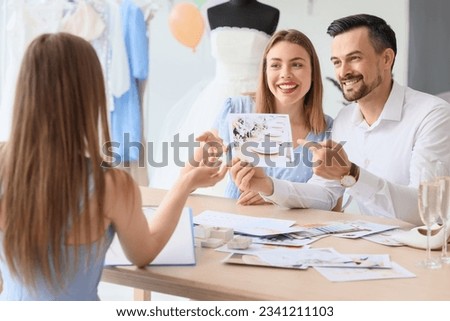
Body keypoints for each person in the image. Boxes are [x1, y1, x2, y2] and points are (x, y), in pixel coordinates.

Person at [0, 33, 226, 300]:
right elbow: (144, 252)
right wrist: (186, 182)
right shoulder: (112, 185)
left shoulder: (4, 164)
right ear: (90, 96)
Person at [230, 14, 450, 225]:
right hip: (368, 245)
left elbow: (427, 208)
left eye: (354, 58)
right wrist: (268, 186)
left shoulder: (432, 115)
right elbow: (325, 193)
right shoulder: (345, 120)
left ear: (386, 59)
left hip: (423, 251)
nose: (344, 72)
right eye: (337, 62)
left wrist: (351, 174)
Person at [151, 0, 279, 194]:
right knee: (208, 154)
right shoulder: (213, 12)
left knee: (254, 166)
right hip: (217, 97)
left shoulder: (270, 13)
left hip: (254, 100)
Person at [210, 29, 333, 205]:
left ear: (313, 72)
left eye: (297, 64)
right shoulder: (237, 109)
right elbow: (197, 174)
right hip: (236, 225)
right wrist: (207, 156)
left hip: (295, 230)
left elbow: (331, 204)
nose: (285, 74)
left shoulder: (326, 131)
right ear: (265, 71)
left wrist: (272, 192)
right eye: (275, 65)